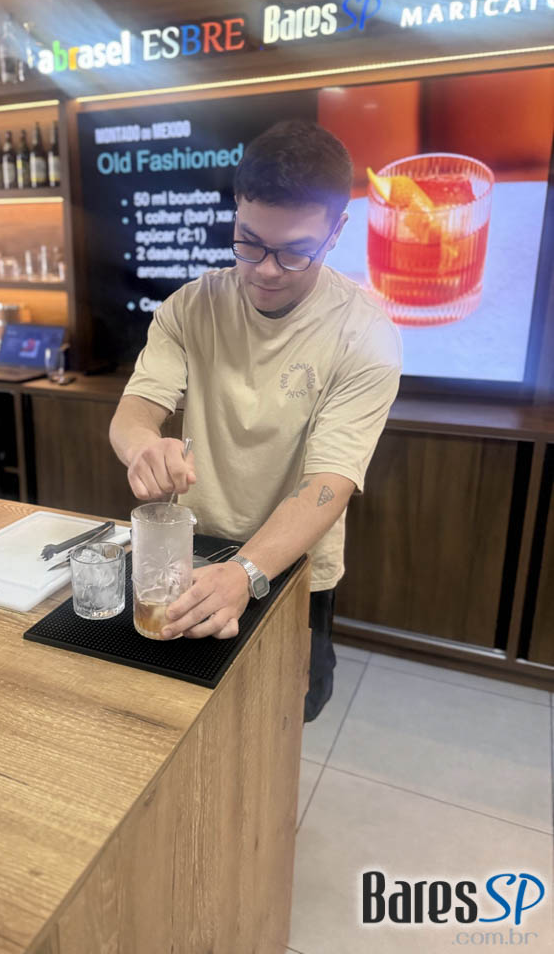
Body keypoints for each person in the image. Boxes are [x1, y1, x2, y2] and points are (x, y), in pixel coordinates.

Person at [109, 120, 402, 721]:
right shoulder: (190, 307)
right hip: (193, 549)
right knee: (184, 711)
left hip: (292, 563)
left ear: (337, 232)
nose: (266, 269)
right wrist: (142, 447)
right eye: (249, 242)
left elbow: (330, 482)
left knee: (289, 709)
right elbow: (135, 412)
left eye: (295, 251)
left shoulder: (365, 333)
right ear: (237, 213)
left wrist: (246, 571)